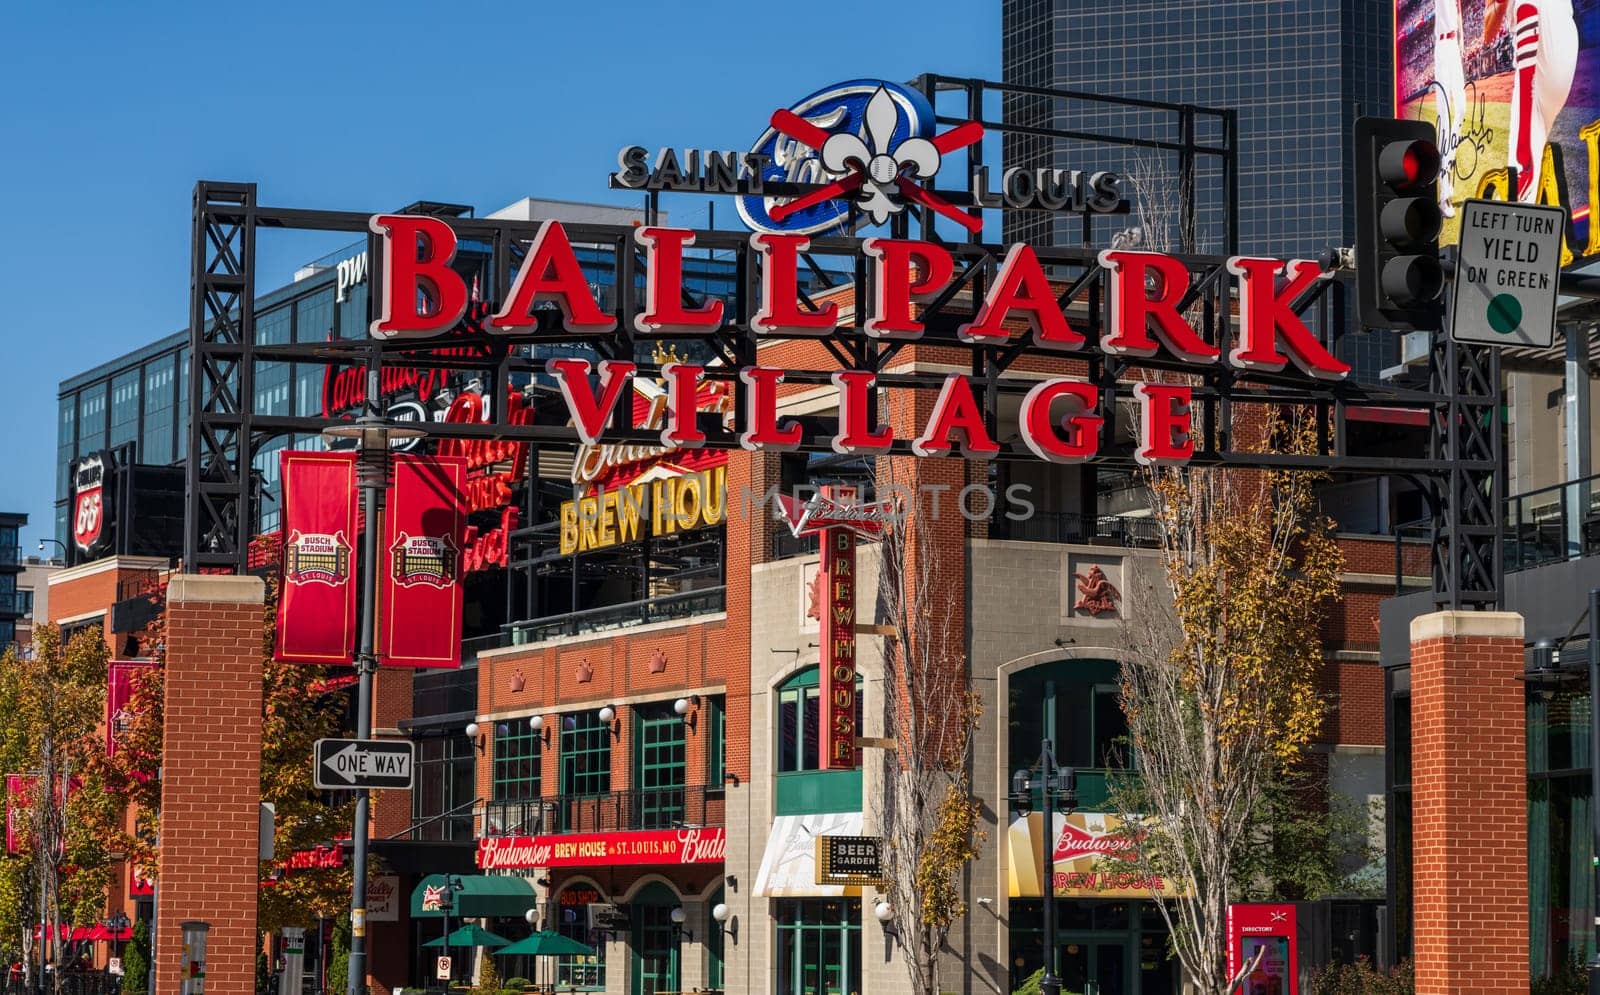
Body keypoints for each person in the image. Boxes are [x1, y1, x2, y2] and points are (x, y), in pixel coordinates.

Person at [1481, 0, 1579, 201]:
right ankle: (1519, 204)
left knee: (1524, 165)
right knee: (1523, 169)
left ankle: (1519, 201)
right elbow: (1487, 32)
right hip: (1532, 53)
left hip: (1559, 30)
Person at [1435, 0, 1469, 215]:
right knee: (1445, 120)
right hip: (1441, 47)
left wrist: (1463, 44)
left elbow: (1458, 12)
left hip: (1454, 47)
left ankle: (1447, 161)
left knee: (1462, 109)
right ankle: (1444, 195)